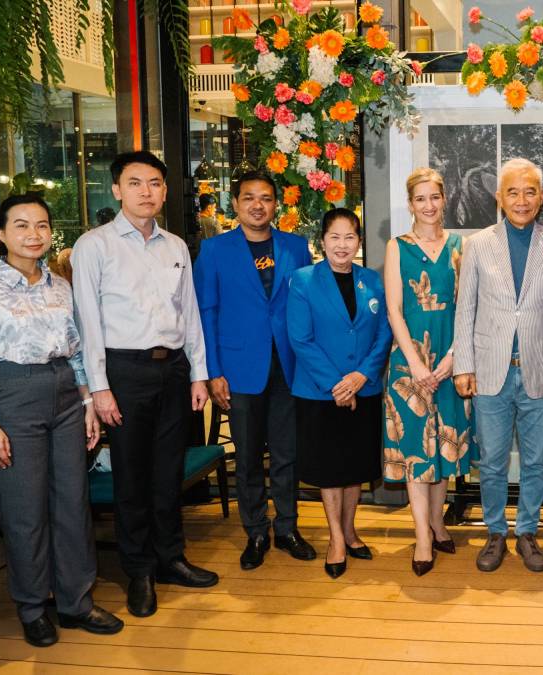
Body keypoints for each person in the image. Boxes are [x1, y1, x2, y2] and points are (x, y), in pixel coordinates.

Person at [0, 193, 123, 647]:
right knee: (24, 509)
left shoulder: (60, 286)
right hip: (13, 396)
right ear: (1, 234)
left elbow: (77, 350)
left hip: (66, 393)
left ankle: (76, 601)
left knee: (72, 502)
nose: (34, 234)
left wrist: (87, 405)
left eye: (42, 225)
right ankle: (32, 606)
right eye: (22, 225)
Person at [71, 150, 215, 619]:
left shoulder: (175, 246)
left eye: (154, 183)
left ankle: (171, 558)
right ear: (117, 189)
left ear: (165, 190)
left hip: (172, 369)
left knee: (168, 471)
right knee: (132, 475)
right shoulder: (94, 246)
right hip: (123, 371)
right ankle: (139, 570)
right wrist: (99, 387)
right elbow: (87, 322)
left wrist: (198, 373)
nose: (146, 192)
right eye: (135, 183)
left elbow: (189, 313)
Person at [453, 158, 543, 574]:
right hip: (491, 370)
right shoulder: (477, 245)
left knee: (536, 461)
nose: (521, 200)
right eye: (513, 192)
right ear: (499, 198)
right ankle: (495, 532)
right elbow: (465, 309)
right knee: (491, 461)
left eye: (529, 192)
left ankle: (527, 531)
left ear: (541, 197)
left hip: (540, 370)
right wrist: (463, 365)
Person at [194, 170, 316, 571]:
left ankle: (287, 528)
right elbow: (206, 313)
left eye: (265, 198)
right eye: (249, 198)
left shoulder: (295, 247)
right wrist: (213, 371)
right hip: (238, 367)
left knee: (287, 453)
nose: (257, 205)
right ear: (235, 204)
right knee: (246, 456)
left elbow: (308, 303)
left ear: (276, 204)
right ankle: (256, 531)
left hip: (289, 366)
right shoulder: (214, 250)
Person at [383, 167, 477, 577]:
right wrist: (417, 363)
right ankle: (422, 536)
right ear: (410, 204)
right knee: (416, 454)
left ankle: (438, 523)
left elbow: (470, 307)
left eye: (434, 197)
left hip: (452, 362)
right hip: (410, 364)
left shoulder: (461, 246)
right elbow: (394, 310)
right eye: (420, 198)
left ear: (444, 199)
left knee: (443, 449)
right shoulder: (397, 247)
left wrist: (453, 358)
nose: (428, 205)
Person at [287, 208, 391, 579]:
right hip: (320, 393)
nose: (342, 245)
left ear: (359, 242)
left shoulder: (372, 281)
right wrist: (337, 384)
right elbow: (300, 338)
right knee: (331, 470)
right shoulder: (303, 280)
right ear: (322, 241)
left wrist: (361, 376)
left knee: (354, 467)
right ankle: (335, 539)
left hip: (364, 390)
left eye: (349, 237)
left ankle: (350, 530)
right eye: (335, 237)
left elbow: (384, 332)